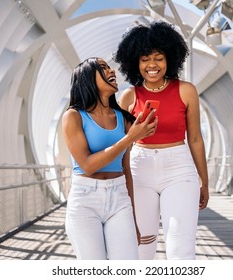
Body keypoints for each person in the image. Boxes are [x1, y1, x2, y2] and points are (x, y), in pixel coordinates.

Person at [114, 21, 209, 260]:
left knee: (181, 246)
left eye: (159, 58)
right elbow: (119, 144)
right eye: (145, 59)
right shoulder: (128, 96)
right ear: (135, 62)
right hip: (139, 168)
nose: (152, 65)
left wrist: (204, 182)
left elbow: (195, 138)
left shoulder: (186, 90)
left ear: (170, 60)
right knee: (142, 246)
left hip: (179, 167)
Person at [62, 57, 158, 259]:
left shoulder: (122, 118)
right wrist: (130, 138)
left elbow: (126, 170)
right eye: (103, 68)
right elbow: (87, 165)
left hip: (119, 197)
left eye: (110, 67)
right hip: (85, 199)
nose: (111, 71)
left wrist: (133, 219)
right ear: (87, 77)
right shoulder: (73, 116)